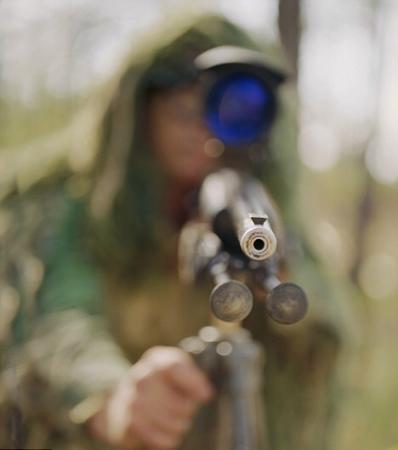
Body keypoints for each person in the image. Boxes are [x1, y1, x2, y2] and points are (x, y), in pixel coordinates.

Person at [0, 13, 348, 450]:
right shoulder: (83, 204)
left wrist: (282, 272)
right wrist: (112, 397)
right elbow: (59, 316)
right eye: (183, 111)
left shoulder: (263, 212)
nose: (203, 133)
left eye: (228, 114)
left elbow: (324, 335)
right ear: (142, 116)